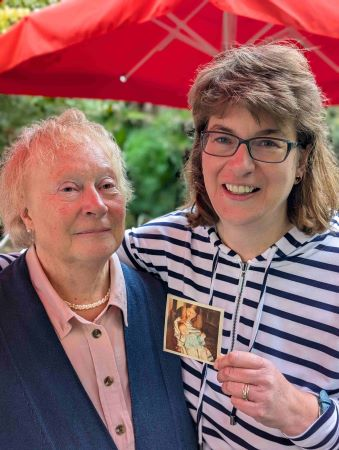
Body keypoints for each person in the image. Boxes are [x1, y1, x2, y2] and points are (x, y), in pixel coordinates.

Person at [118, 42, 339, 449]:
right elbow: (63, 265)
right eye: (223, 138)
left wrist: (301, 412)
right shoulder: (163, 246)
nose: (241, 164)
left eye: (268, 142)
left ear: (303, 159)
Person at [0, 109, 197, 449]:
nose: (96, 204)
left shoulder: (173, 303)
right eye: (69, 188)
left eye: (107, 185)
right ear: (26, 213)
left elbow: (214, 412)